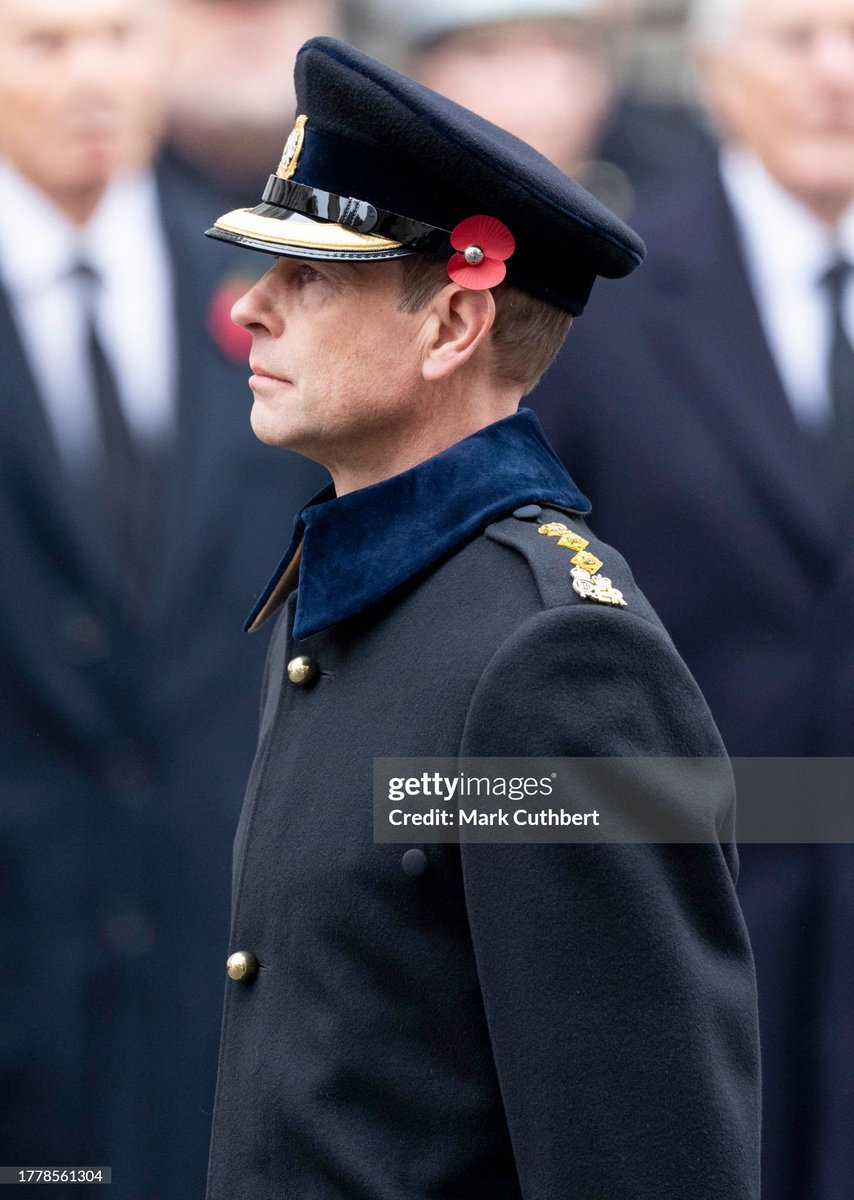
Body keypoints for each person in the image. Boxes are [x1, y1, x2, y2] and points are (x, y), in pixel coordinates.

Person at [202, 35, 760, 1199]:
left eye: (310, 276)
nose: (252, 308)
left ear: (452, 327)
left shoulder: (551, 658)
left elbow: (639, 1156)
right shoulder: (358, 582)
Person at [530, 0, 854, 1196]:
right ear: (709, 75)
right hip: (683, 934)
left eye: (852, 37)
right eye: (793, 37)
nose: (834, 74)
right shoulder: (598, 307)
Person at [0, 0, 324, 1196]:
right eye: (44, 42)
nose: (91, 74)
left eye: (120, 35)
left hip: (216, 952)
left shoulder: (261, 291)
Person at [386, 0, 715, 218]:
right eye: (487, 51)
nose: (532, 88)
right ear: (421, 71)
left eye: (561, 47)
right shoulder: (371, 198)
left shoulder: (688, 187)